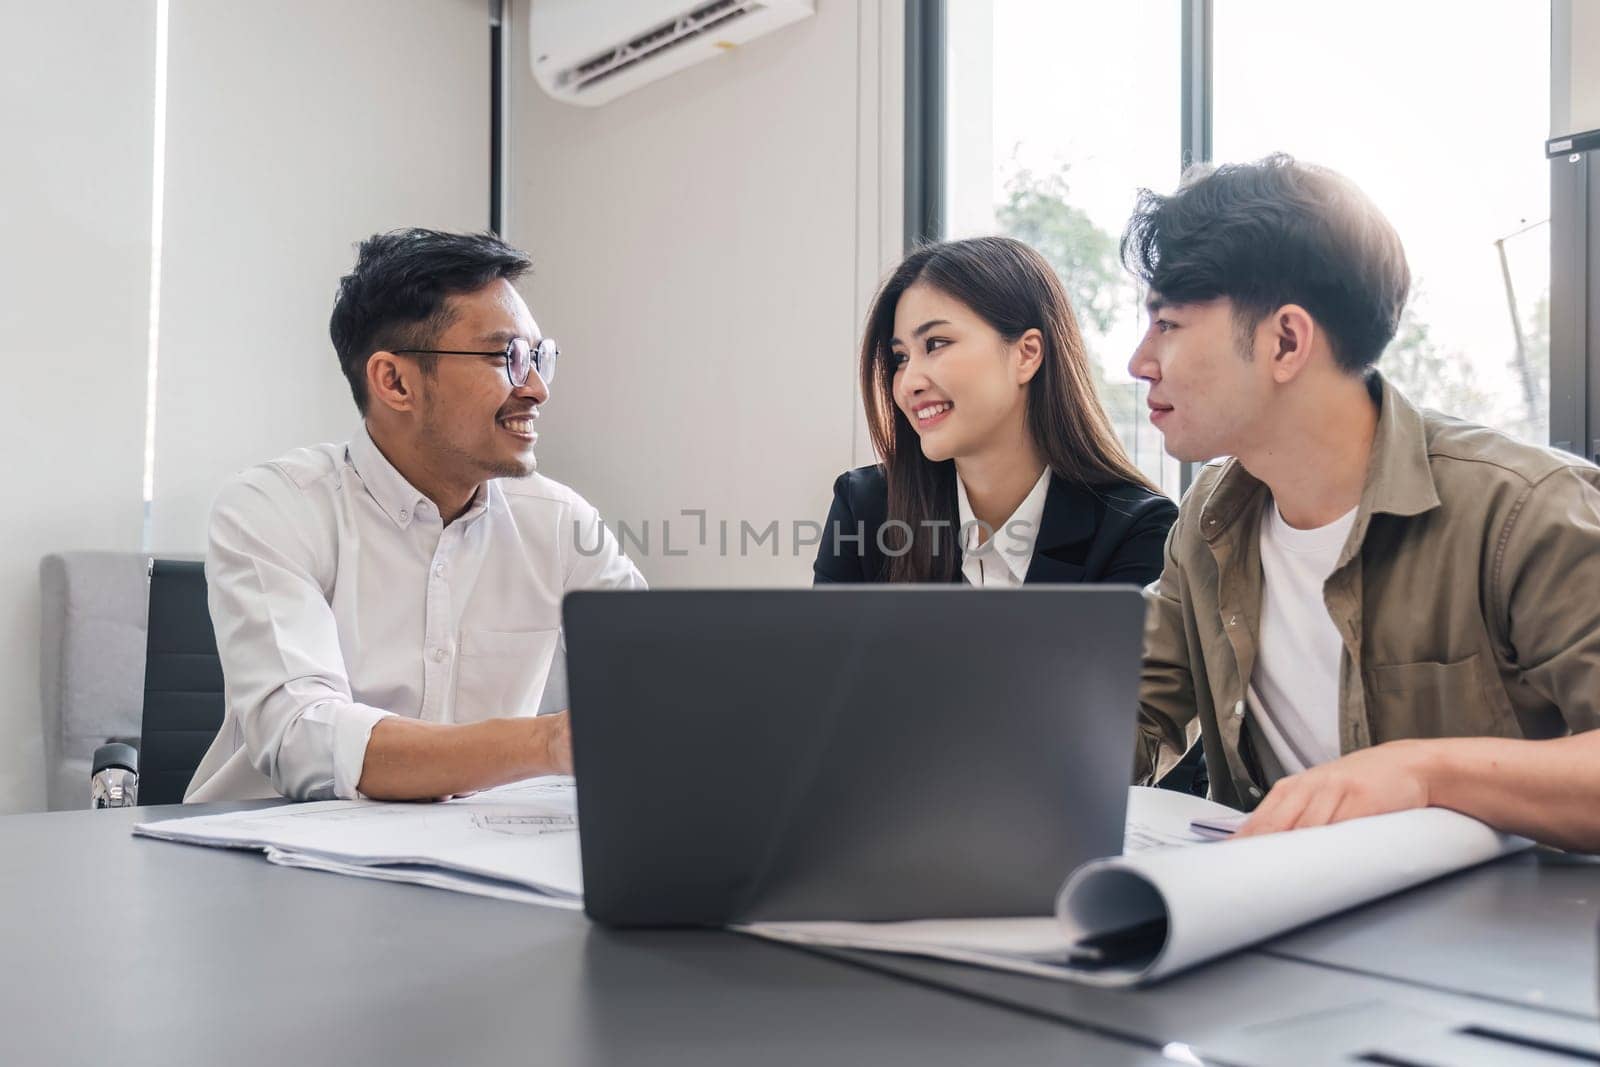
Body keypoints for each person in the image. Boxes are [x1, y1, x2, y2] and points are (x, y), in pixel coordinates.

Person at [1127, 155, 1600, 850]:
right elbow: (1126, 715)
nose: (1139, 361)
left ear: (1286, 340)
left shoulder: (1523, 511)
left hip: (1504, 939)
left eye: (1167, 324)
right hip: (1269, 924)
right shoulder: (1207, 522)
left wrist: (1425, 773)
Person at [187, 229, 643, 803]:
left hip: (469, 858)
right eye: (508, 357)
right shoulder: (274, 507)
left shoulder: (559, 522)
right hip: (264, 859)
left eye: (540, 357)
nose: (536, 389)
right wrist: (545, 743)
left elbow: (656, 677)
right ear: (395, 381)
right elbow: (304, 740)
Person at [813, 236, 1175, 587]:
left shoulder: (1136, 530)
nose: (908, 383)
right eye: (900, 358)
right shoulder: (864, 509)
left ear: (1027, 354)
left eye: (936, 344)